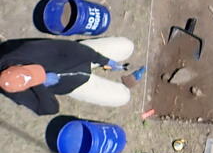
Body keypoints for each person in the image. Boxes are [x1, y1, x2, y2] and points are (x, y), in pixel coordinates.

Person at [0, 36, 136, 115]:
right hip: (77, 86)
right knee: (124, 97)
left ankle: (107, 58)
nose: (41, 74)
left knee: (127, 46)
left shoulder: (25, 51)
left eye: (35, 71)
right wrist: (40, 85)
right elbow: (50, 109)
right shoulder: (13, 90)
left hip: (77, 56)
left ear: (18, 66)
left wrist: (103, 60)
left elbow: (67, 48)